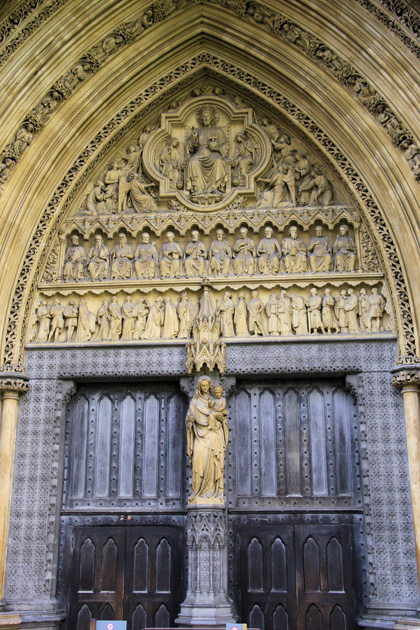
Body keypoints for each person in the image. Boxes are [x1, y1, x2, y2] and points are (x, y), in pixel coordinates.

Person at [185, 376, 228, 504]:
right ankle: (198, 492)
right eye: (202, 386)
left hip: (213, 436)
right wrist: (190, 422)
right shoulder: (195, 402)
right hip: (199, 436)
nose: (204, 388)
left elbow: (223, 418)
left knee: (213, 465)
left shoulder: (215, 400)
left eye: (206, 386)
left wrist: (220, 420)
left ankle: (214, 494)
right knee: (199, 462)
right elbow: (188, 418)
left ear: (210, 386)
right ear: (199, 387)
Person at [185, 106, 228, 195]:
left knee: (218, 161)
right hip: (200, 154)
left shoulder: (217, 131)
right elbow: (189, 146)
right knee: (193, 162)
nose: (205, 118)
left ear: (212, 118)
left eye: (207, 116)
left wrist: (217, 148)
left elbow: (226, 145)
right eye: (204, 117)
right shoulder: (197, 131)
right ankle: (198, 187)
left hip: (213, 154)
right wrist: (194, 139)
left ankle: (216, 187)